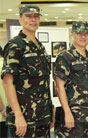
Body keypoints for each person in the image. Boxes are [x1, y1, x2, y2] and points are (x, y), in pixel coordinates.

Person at [1, 5, 53, 137]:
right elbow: (7, 83)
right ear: (20, 20)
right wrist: (18, 116)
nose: (33, 20)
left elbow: (44, 82)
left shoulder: (40, 47)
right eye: (28, 16)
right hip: (24, 119)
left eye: (36, 17)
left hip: (42, 117)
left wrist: (50, 112)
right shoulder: (15, 45)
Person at [54, 21, 88, 137]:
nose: (82, 37)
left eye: (86, 34)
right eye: (78, 34)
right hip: (73, 117)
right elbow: (59, 86)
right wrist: (67, 113)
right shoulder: (65, 56)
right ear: (72, 35)